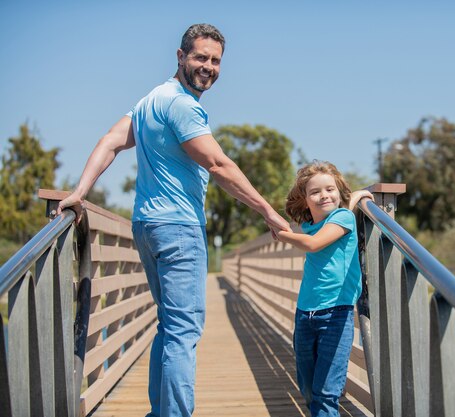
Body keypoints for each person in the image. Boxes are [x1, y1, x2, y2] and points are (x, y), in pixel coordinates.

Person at [58, 23, 291, 417]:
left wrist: (81, 190)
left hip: (146, 226)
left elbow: (111, 141)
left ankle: (160, 412)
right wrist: (268, 211)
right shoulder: (182, 104)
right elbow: (218, 164)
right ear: (181, 57)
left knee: (170, 326)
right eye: (201, 57)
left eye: (216, 61)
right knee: (183, 332)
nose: (209, 67)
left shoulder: (151, 100)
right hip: (179, 227)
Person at [274, 161, 373, 417]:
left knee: (325, 392)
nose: (324, 195)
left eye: (330, 189)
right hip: (305, 314)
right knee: (307, 388)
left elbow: (314, 243)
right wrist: (353, 199)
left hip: (336, 315)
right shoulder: (309, 224)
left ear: (339, 192)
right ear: (305, 200)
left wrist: (283, 235)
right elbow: (319, 229)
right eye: (315, 192)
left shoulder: (343, 218)